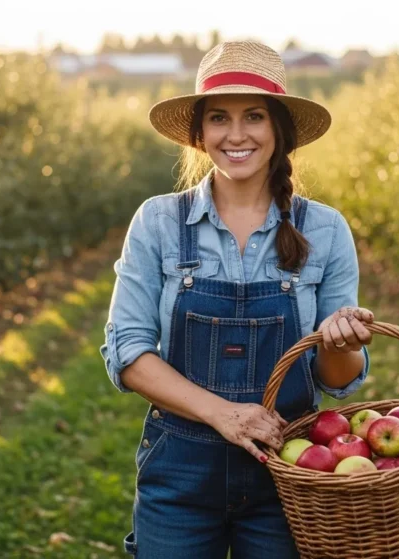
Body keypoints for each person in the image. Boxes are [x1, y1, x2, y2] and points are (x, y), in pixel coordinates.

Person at [99, 40, 375, 558]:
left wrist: (341, 342)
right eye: (220, 118)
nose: (237, 134)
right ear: (200, 134)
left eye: (254, 116)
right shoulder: (159, 221)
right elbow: (129, 353)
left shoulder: (325, 228)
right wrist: (222, 413)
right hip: (179, 472)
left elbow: (335, 380)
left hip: (291, 470)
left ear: (279, 131)